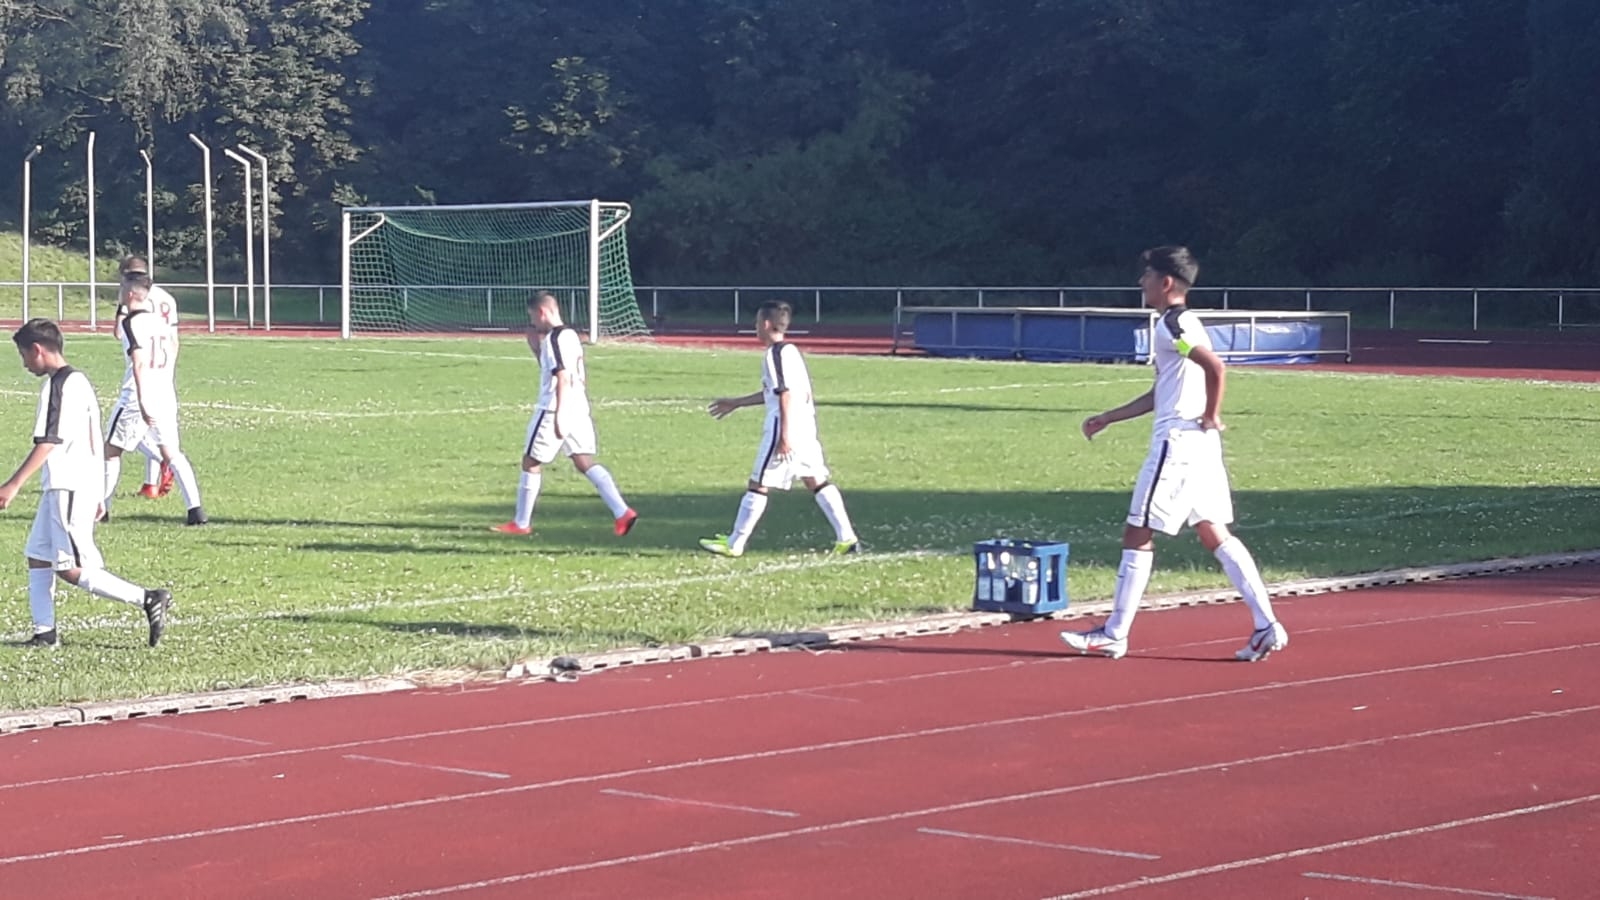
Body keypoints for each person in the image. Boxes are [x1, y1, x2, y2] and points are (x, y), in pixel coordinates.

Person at [1059, 246, 1287, 662]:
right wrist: (1110, 417)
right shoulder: (1184, 323)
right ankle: (1266, 624)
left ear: (1166, 282)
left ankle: (1114, 634)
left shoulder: (1173, 324)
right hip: (1198, 444)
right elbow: (1162, 390)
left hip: (1178, 443)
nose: (1140, 283)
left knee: (1137, 530)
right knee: (1213, 531)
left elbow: (1215, 367)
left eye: (1147, 276)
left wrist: (1212, 414)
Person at [0, 319, 172, 648]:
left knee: (70, 568)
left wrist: (14, 484)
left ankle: (148, 598)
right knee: (38, 555)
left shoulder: (59, 385)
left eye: (24, 355)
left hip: (69, 484)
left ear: (37, 350)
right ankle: (45, 633)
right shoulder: (80, 381)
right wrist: (99, 493)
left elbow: (49, 441)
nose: (24, 364)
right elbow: (93, 442)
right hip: (71, 485)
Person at [698, 300, 859, 557]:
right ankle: (847, 538)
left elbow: (784, 395)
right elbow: (774, 392)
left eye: (756, 323)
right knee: (816, 480)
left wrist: (784, 436)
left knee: (758, 483)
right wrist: (737, 403)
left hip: (784, 426)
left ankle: (735, 543)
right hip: (805, 425)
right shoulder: (792, 351)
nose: (755, 328)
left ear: (765, 324)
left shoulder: (775, 354)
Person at [492, 291, 638, 537]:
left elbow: (562, 377)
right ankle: (622, 511)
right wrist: (536, 349)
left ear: (542, 312)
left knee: (531, 461)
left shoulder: (554, 338)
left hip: (554, 407)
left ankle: (521, 523)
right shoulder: (571, 336)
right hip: (578, 406)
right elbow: (561, 372)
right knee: (584, 461)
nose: (533, 323)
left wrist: (560, 414)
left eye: (533, 317)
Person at [102, 275, 208, 526]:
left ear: (130, 294)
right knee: (171, 452)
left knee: (111, 450)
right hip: (165, 393)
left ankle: (102, 509)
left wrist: (141, 399)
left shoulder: (131, 322)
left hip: (137, 395)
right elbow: (173, 347)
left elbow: (139, 363)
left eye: (122, 288)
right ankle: (196, 510)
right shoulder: (160, 322)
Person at [117, 256, 180, 499]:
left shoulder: (134, 298)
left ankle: (163, 463)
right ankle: (150, 484)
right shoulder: (167, 298)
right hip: (164, 373)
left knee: (123, 434)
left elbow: (119, 331)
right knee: (156, 430)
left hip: (141, 371)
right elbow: (173, 340)